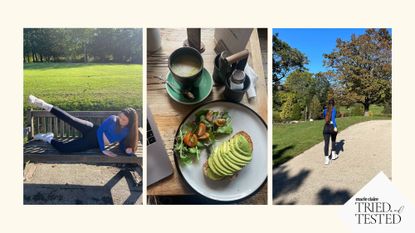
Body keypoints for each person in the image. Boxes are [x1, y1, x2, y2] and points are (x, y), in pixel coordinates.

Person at [28, 95, 138, 157]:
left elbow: (123, 144)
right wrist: (103, 149)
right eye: (120, 116)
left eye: (124, 119)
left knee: (64, 149)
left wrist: (128, 151)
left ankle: (48, 138)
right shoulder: (113, 118)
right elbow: (100, 132)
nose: (120, 120)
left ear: (130, 122)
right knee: (70, 119)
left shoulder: (127, 132)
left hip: (91, 143)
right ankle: (43, 104)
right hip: (92, 130)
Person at [322, 98, 338, 165]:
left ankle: (326, 159)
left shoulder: (325, 110)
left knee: (326, 143)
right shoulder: (334, 109)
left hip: (326, 127)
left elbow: (324, 117)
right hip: (332, 126)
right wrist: (335, 127)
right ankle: (333, 155)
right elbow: (333, 119)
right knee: (333, 140)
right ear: (333, 104)